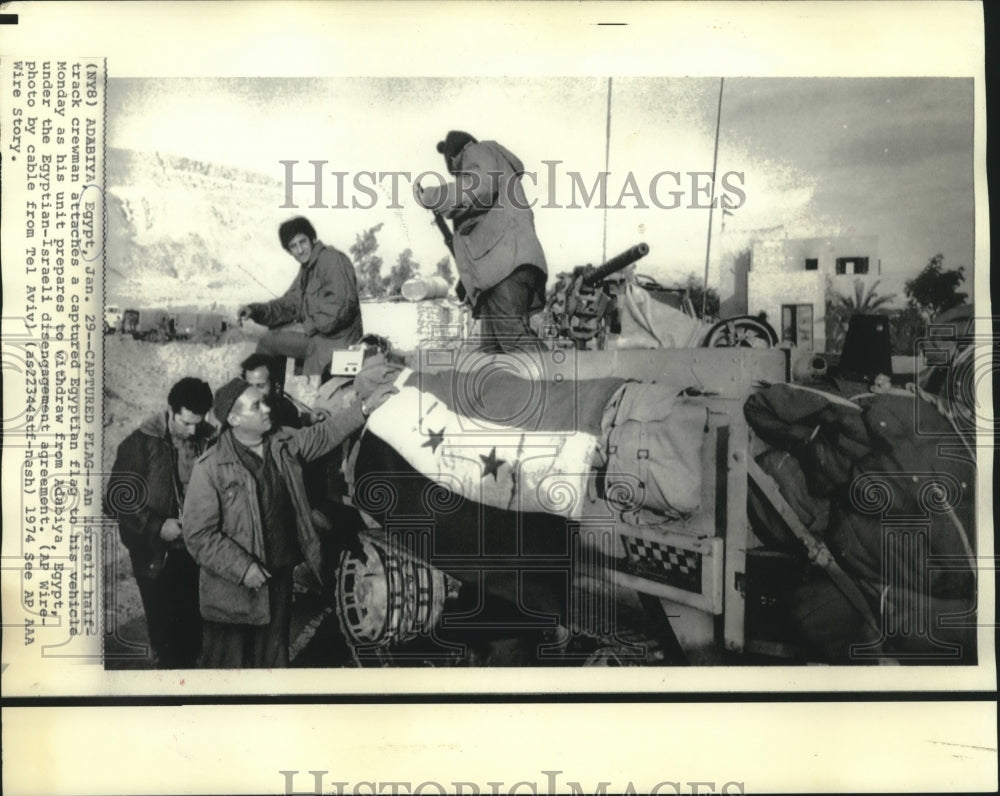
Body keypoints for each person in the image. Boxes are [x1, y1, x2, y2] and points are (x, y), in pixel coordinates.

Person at [182, 376, 396, 668]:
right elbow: (198, 535)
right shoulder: (210, 468)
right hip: (232, 595)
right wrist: (243, 568)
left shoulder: (283, 444)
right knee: (230, 675)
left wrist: (364, 408)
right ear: (234, 418)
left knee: (273, 666)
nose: (266, 409)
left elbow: (325, 433)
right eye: (256, 406)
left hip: (278, 581)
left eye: (263, 402)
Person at [106, 377, 215, 668]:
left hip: (198, 552)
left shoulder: (209, 438)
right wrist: (157, 525)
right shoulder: (139, 444)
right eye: (185, 422)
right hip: (156, 555)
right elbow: (116, 501)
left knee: (195, 633)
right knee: (166, 636)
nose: (192, 430)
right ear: (170, 410)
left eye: (198, 422)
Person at [413, 130, 548, 352]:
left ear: (455, 155)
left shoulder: (477, 151)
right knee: (492, 351)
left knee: (514, 340)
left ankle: (556, 384)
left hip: (505, 267)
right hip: (501, 269)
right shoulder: (492, 163)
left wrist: (431, 196)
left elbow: (478, 187)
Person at [238, 216, 364, 376]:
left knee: (268, 341)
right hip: (320, 340)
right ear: (289, 251)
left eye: (302, 242)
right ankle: (275, 393)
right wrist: (254, 310)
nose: (300, 250)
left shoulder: (331, 260)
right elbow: (288, 305)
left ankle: (266, 394)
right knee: (274, 332)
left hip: (335, 343)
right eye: (293, 246)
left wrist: (307, 326)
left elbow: (341, 306)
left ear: (312, 239)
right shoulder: (306, 271)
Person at [240, 352, 307, 429]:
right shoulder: (238, 411)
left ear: (275, 386)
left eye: (260, 386)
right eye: (249, 386)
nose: (254, 393)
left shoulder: (286, 409)